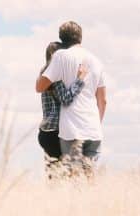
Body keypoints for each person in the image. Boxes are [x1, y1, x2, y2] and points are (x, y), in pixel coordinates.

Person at [36, 21, 107, 168]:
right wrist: (97, 122)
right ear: (81, 37)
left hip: (65, 130)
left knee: (65, 176)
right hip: (91, 128)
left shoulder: (58, 61)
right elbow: (103, 100)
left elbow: (41, 87)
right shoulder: (96, 61)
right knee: (87, 175)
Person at [37, 41, 88, 166]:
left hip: (46, 132)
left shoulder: (44, 75)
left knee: (54, 175)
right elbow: (65, 99)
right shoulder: (56, 76)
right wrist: (80, 79)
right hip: (58, 132)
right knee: (69, 174)